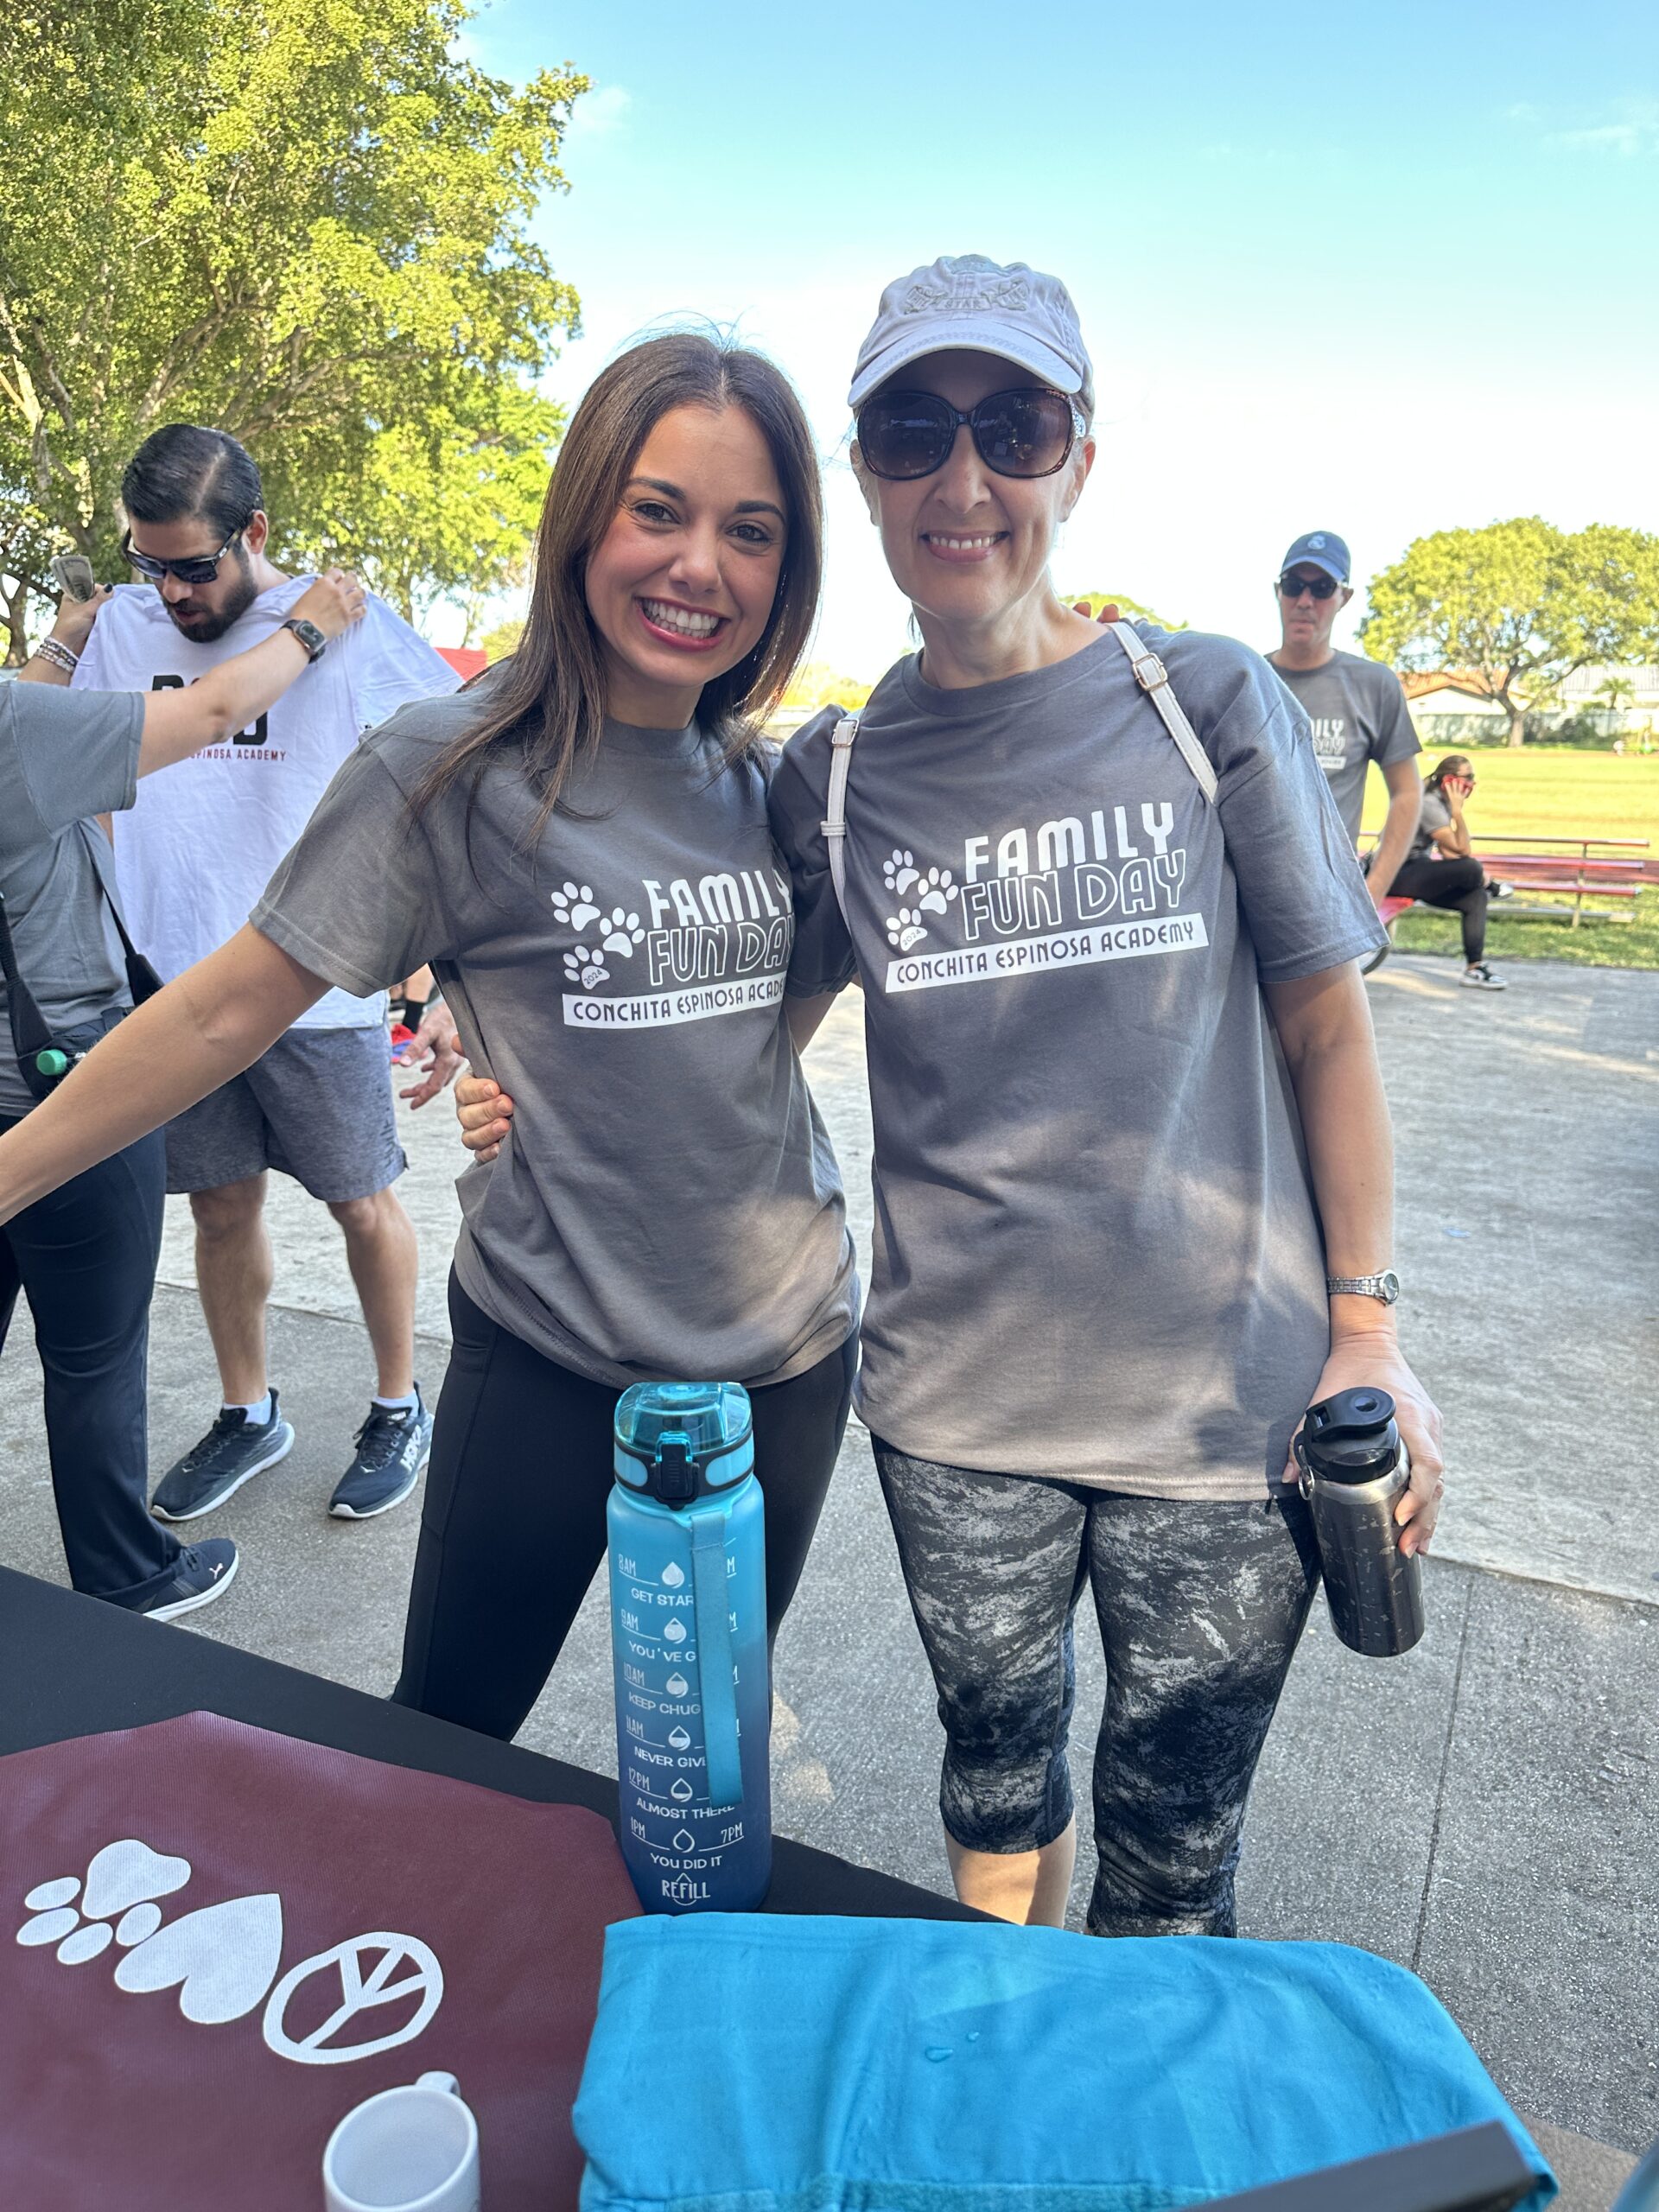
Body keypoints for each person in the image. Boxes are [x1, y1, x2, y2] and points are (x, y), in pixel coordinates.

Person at [0, 333, 859, 1739]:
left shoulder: (778, 783)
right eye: (657, 510)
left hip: (788, 1356)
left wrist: (569, 1072)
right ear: (582, 517)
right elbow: (220, 1008)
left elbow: (771, 1025)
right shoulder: (449, 762)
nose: (701, 565)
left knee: (707, 1752)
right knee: (445, 1746)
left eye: (751, 531)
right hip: (551, 1354)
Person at [73, 426, 462, 1524]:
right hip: (176, 986)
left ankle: (398, 1404)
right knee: (220, 1205)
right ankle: (249, 1413)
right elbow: (64, 755)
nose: (174, 591)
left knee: (360, 1201)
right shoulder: (123, 626)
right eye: (151, 564)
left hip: (317, 979)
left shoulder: (343, 618)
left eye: (194, 566)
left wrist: (440, 973)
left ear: (254, 531)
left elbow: (451, 770)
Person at [1, 567, 365, 1618]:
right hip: (71, 1088)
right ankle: (129, 1577)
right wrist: (311, 627)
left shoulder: (23, 722)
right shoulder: (17, 732)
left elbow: (30, 712)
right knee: (94, 1355)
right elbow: (208, 712)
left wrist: (68, 640)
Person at [1265, 532, 1422, 906]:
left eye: (1322, 588)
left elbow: (1407, 791)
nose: (1305, 601)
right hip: (1249, 895)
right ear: (1278, 592)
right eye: (1294, 586)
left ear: (1344, 597)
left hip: (1330, 898)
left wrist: (1373, 890)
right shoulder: (1246, 680)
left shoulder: (1373, 685)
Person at [1389, 754, 1506, 989]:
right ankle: (1490, 885)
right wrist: (1458, 813)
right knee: (1472, 868)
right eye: (1468, 777)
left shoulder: (1440, 802)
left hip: (1417, 872)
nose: (1472, 783)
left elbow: (1452, 854)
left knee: (1476, 897)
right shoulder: (1429, 803)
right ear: (1449, 781)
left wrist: (1476, 875)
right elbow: (1462, 850)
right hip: (1396, 874)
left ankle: (1474, 969)